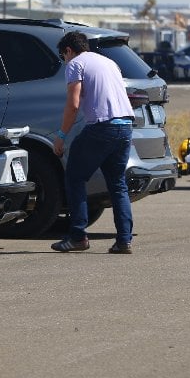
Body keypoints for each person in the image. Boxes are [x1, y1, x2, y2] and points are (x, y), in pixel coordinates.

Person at [50, 31, 135, 254]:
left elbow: (73, 104)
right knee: (118, 185)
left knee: (75, 177)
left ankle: (78, 236)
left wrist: (61, 136)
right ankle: (124, 240)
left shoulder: (75, 64)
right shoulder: (109, 62)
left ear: (68, 50)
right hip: (125, 125)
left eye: (62, 56)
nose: (64, 60)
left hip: (101, 127)